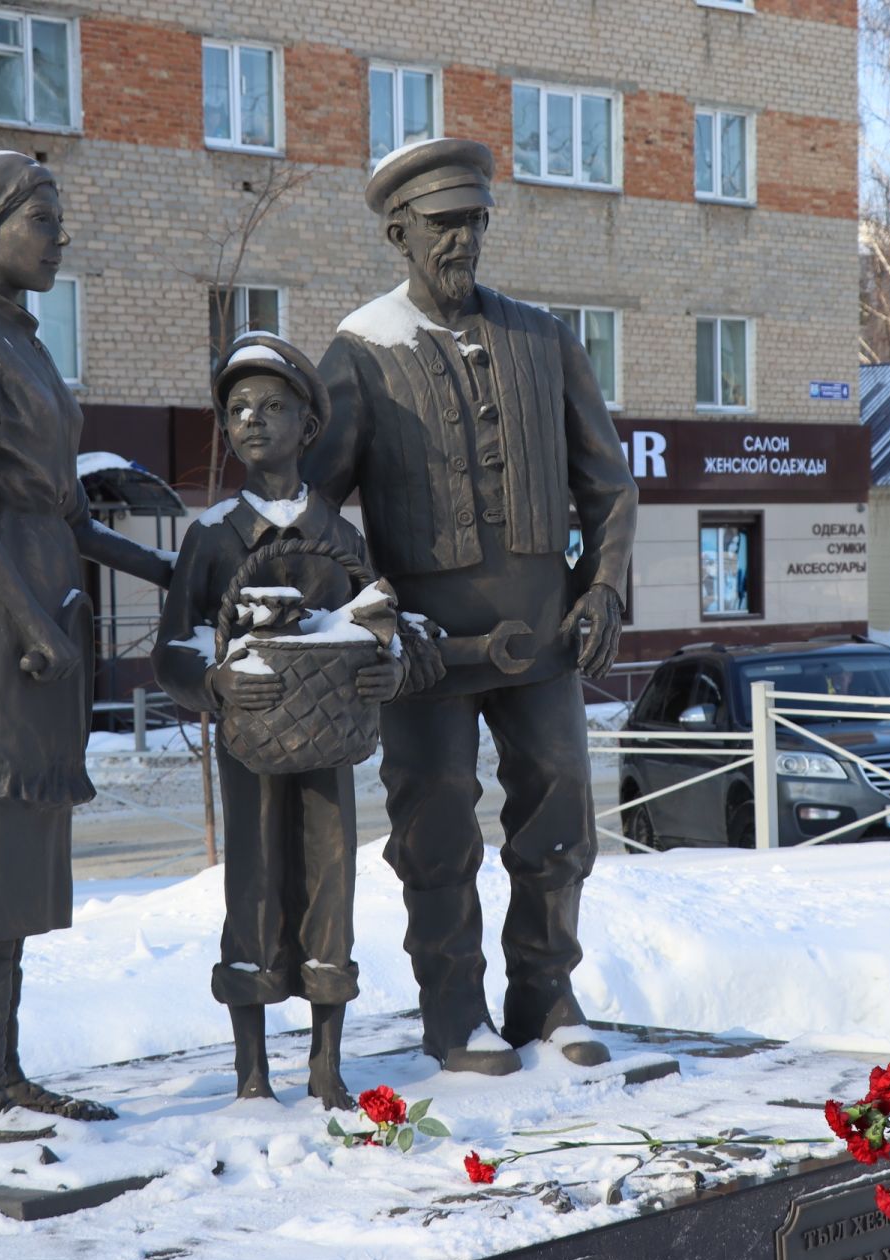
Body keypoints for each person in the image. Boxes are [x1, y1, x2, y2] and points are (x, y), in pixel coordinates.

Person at [306, 139, 639, 1076]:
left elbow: (608, 485)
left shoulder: (545, 338)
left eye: (476, 220)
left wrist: (605, 585)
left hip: (543, 639)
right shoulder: (362, 351)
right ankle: (455, 1014)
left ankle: (546, 995)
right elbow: (318, 508)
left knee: (561, 818)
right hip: (423, 657)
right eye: (445, 224)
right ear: (398, 232)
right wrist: (369, 607)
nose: (465, 240)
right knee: (437, 831)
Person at [0, 152, 173, 1144]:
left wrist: (175, 570)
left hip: (33, 615)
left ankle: (1, 1073)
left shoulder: (21, 338)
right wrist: (29, 621)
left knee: (8, 855)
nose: (61, 235)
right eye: (43, 216)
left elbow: (65, 511)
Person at [153, 333, 402, 1109]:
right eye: (237, 411)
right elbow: (172, 647)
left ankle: (326, 1063)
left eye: (272, 407)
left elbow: (380, 624)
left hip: (329, 739)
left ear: (308, 425)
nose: (253, 422)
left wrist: (385, 668)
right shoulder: (213, 534)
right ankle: (251, 1067)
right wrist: (212, 678)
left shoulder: (340, 533)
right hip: (252, 740)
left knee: (333, 885)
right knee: (254, 887)